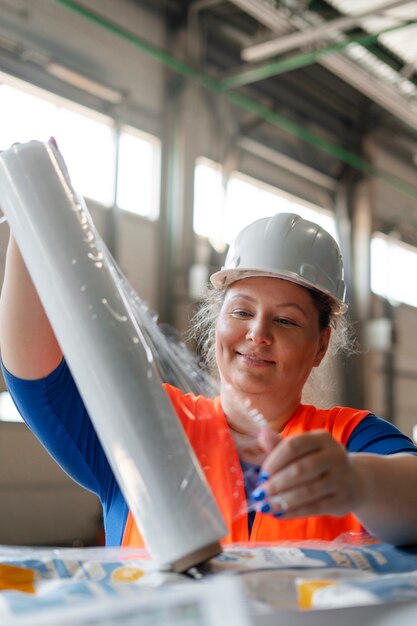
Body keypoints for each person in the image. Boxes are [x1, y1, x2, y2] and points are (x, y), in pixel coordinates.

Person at [1, 212, 417, 549]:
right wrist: (29, 208)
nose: (258, 333)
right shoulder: (151, 426)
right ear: (216, 323)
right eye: (241, 312)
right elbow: (39, 380)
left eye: (286, 320)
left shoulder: (349, 439)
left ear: (321, 346)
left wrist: (355, 480)